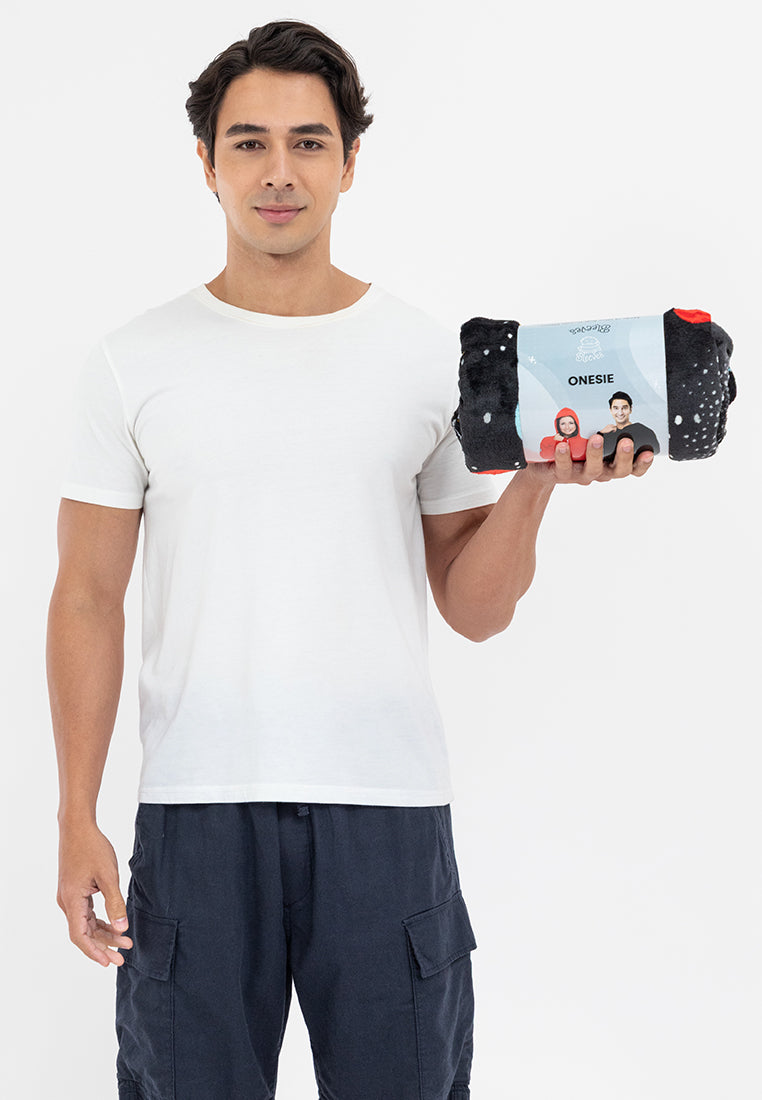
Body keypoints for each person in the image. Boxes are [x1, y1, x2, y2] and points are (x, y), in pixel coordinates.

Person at [46, 21, 653, 1100]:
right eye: (249, 143)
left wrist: (536, 483)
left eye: (308, 142)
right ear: (207, 163)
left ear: (350, 161)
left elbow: (476, 608)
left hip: (388, 810)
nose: (279, 171)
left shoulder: (428, 358)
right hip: (196, 812)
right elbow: (87, 595)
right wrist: (75, 811)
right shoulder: (131, 362)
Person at [599, 390, 660, 461]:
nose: (620, 413)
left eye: (624, 408)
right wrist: (600, 434)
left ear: (630, 409)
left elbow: (656, 450)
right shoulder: (607, 434)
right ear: (611, 410)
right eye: (616, 408)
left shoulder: (643, 431)